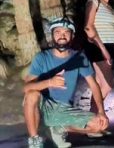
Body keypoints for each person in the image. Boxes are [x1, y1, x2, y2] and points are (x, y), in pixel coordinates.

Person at [24, 18, 109, 148]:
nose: (62, 36)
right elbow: (26, 87)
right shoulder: (42, 58)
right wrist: (49, 82)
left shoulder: (80, 57)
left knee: (99, 125)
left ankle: (59, 128)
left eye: (66, 32)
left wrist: (102, 111)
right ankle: (34, 140)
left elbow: (94, 85)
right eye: (58, 32)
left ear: (72, 36)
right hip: (43, 105)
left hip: (63, 108)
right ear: (52, 35)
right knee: (31, 95)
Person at [83, 0, 114, 121]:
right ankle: (93, 119)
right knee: (107, 86)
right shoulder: (94, 1)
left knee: (98, 87)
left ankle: (95, 121)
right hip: (97, 46)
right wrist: (103, 49)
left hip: (107, 46)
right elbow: (88, 27)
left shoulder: (109, 6)